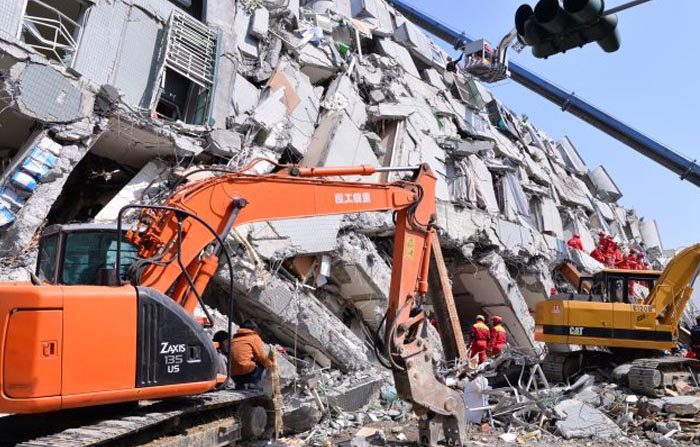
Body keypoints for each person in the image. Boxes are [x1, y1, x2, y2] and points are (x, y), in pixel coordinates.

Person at [231, 320, 272, 389]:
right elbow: (261, 357)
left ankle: (240, 385)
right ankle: (253, 383)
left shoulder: (234, 339)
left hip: (232, 374)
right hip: (246, 372)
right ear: (254, 329)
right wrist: (271, 365)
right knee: (262, 363)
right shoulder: (254, 337)